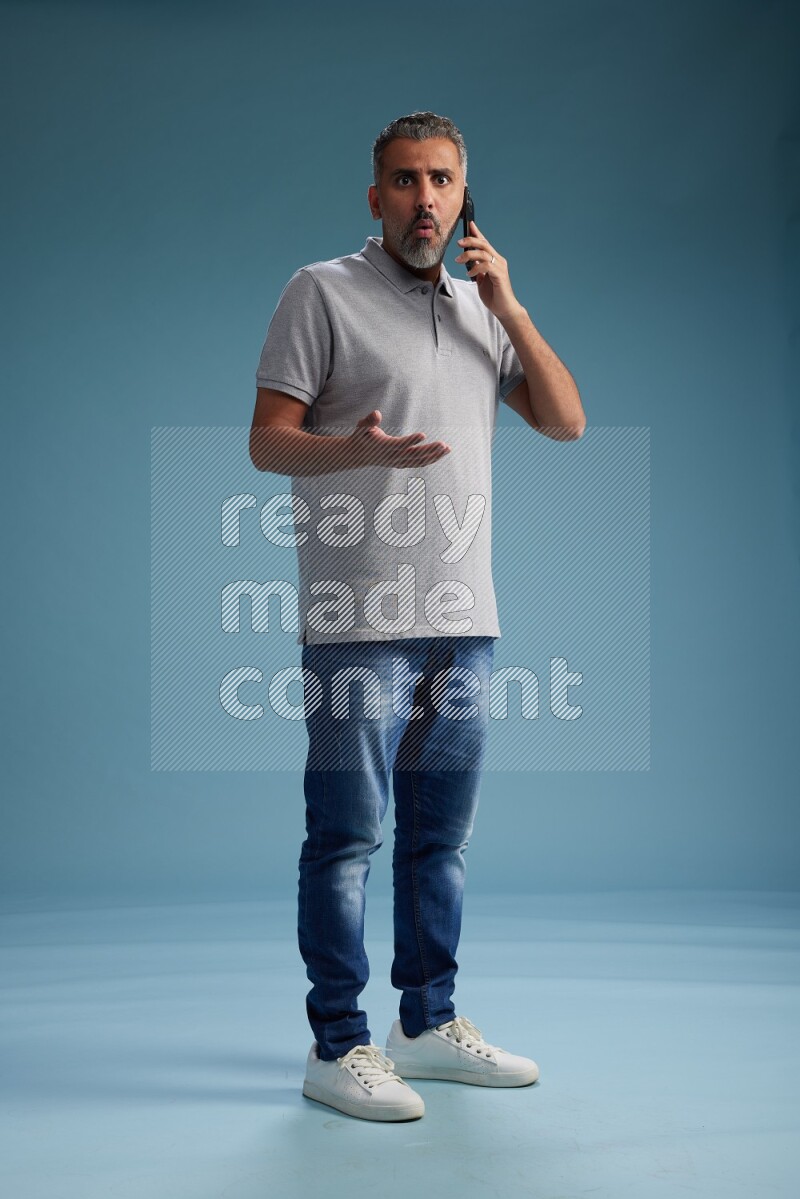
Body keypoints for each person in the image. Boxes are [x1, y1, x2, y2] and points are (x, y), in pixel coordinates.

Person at [250, 111, 585, 1123]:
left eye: (441, 179)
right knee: (347, 836)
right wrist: (357, 447)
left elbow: (564, 418)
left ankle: (426, 1022)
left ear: (463, 194)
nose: (424, 198)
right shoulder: (321, 291)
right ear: (375, 197)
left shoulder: (480, 308)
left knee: (439, 838)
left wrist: (510, 304)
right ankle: (337, 1041)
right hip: (357, 615)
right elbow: (267, 443)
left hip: (463, 614)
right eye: (404, 180)